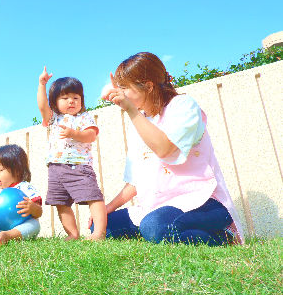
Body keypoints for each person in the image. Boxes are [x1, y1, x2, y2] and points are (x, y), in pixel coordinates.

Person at [96, 52, 244, 245]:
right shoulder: (141, 120)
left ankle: (223, 237)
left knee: (154, 226)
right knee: (102, 227)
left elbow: (165, 149)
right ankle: (165, 236)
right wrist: (108, 208)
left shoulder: (183, 106)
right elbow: (135, 180)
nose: (121, 93)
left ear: (148, 86)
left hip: (202, 202)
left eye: (125, 87)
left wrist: (131, 110)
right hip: (158, 206)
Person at [37, 67, 107, 240]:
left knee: (93, 197)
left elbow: (91, 135)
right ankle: (72, 234)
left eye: (76, 97)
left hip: (79, 167)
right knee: (60, 202)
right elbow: (42, 106)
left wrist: (73, 133)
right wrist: (42, 84)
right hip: (55, 168)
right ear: (55, 101)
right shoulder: (54, 118)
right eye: (65, 97)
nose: (71, 101)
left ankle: (99, 232)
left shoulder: (84, 117)